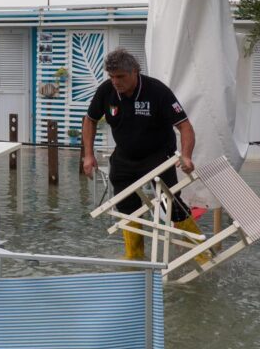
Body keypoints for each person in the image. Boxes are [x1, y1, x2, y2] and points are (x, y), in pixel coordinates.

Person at [81, 48, 203, 260]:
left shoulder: (157, 91)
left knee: (170, 205)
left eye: (120, 76)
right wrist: (88, 155)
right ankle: (134, 257)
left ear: (135, 72)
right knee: (127, 207)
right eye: (111, 77)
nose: (116, 82)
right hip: (125, 158)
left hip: (158, 157)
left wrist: (186, 155)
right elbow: (90, 120)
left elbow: (184, 126)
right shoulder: (106, 91)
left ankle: (202, 254)